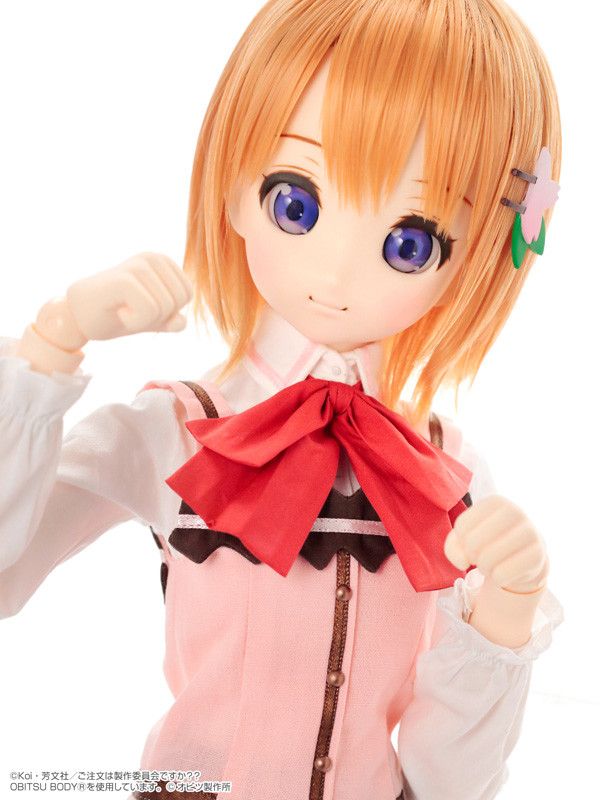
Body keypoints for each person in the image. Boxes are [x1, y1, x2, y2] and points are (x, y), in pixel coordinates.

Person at [0, 1, 564, 798]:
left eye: (410, 242)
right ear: (235, 188)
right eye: (296, 202)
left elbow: (451, 784)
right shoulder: (182, 430)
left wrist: (506, 614)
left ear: (472, 260)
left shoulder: (448, 474)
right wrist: (51, 345)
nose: (336, 272)